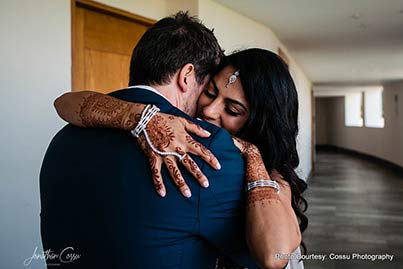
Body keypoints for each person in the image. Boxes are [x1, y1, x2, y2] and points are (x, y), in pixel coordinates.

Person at [40, 12, 286, 269]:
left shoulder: (64, 137)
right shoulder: (206, 147)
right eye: (208, 90)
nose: (209, 110)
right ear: (187, 76)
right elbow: (268, 255)